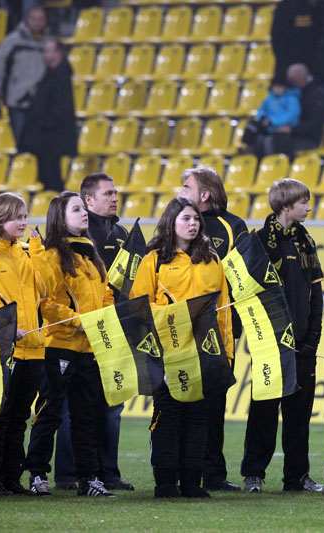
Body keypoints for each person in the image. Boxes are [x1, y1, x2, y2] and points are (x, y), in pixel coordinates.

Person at [130, 197, 233, 498]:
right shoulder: (155, 260)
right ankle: (165, 483)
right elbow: (139, 307)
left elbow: (223, 311)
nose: (193, 224)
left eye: (196, 219)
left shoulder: (212, 260)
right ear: (171, 222)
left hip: (203, 354)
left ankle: (191, 483)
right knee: (168, 417)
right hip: (168, 354)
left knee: (198, 419)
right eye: (186, 218)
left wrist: (226, 353)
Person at [25, 191, 115, 497]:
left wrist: (105, 315)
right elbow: (46, 303)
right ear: (60, 218)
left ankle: (89, 478)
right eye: (76, 209)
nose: (84, 213)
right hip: (59, 346)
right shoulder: (53, 256)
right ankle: (38, 475)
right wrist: (78, 321)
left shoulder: (91, 256)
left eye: (83, 208)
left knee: (85, 415)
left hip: (89, 348)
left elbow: (105, 294)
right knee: (50, 411)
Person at [51, 173, 135, 492]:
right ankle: (67, 473)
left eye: (116, 192)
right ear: (88, 199)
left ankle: (107, 473)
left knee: (112, 405)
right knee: (74, 407)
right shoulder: (76, 239)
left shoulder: (122, 233)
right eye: (108, 193)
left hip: (113, 328)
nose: (115, 198)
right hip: (78, 333)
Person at [241, 178, 324, 492]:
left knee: (299, 414)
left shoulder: (307, 241)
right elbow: (247, 293)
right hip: (269, 342)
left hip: (302, 342)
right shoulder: (259, 240)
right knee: (263, 411)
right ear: (287, 206)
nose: (309, 207)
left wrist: (312, 336)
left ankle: (297, 477)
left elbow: (316, 294)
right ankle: (254, 474)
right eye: (304, 202)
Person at [179, 167, 248, 492]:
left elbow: (243, 279)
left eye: (186, 187)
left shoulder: (233, 227)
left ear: (204, 194)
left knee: (215, 403)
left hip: (219, 330)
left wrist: (236, 325)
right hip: (179, 329)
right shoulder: (176, 222)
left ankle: (213, 474)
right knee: (179, 402)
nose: (181, 192)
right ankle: (176, 469)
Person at [0, 193, 46, 495]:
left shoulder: (27, 253)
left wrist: (38, 251)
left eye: (24, 216)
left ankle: (12, 477)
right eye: (15, 217)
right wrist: (6, 329)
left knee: (20, 417)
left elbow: (44, 291)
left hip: (33, 347)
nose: (22, 222)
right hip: (3, 350)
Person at [20, 39, 77, 192]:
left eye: (48, 51)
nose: (44, 54)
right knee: (47, 176)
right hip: (46, 136)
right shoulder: (51, 74)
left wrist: (42, 123)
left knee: (52, 178)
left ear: (58, 53)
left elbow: (60, 107)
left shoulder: (60, 76)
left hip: (52, 136)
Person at [0, 6, 49, 145]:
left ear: (45, 21)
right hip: (17, 100)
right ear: (27, 20)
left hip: (41, 102)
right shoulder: (12, 41)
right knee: (22, 143)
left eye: (41, 19)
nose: (37, 23)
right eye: (34, 19)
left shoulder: (49, 44)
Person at [271, 0, 322, 80]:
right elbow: (277, 40)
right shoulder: (287, 6)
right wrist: (288, 67)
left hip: (319, 72)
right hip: (290, 71)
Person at [286, 63, 324, 153]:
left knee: (276, 143)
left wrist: (291, 129)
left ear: (300, 78)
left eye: (292, 80)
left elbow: (316, 124)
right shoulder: (290, 94)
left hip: (309, 140)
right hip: (290, 136)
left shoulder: (315, 96)